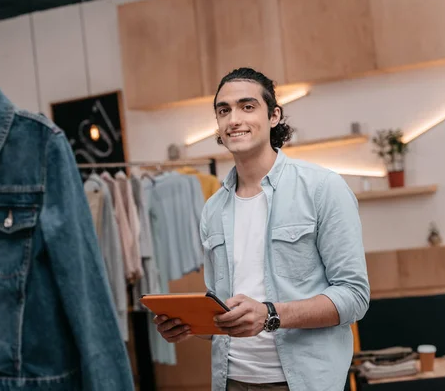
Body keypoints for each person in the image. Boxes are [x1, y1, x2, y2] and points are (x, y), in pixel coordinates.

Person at [154, 67, 370, 391]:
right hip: (232, 381)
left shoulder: (323, 188)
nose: (234, 119)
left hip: (303, 383)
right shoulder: (212, 210)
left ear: (274, 116)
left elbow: (354, 296)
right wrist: (189, 324)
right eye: (224, 110)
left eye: (247, 106)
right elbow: (224, 311)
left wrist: (270, 314)